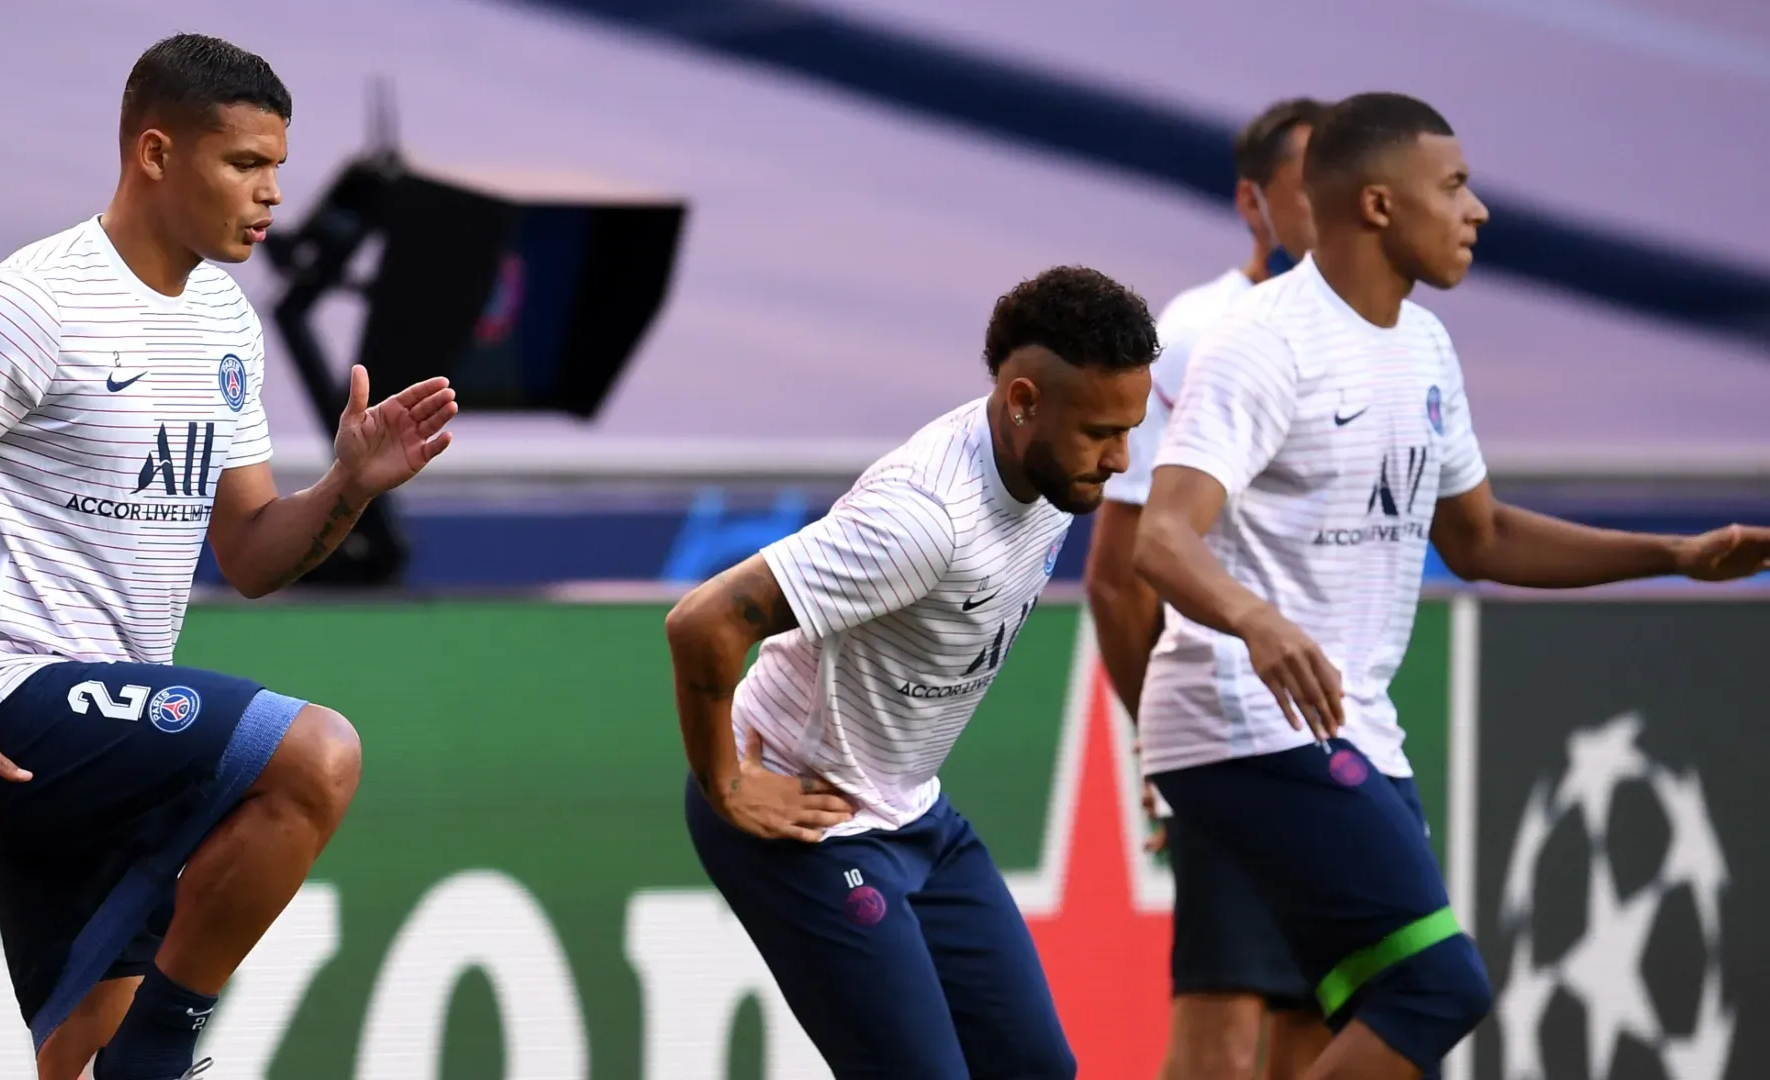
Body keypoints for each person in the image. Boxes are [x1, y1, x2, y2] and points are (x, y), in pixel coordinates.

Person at [0, 34, 458, 1080]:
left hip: (110, 718)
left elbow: (254, 554)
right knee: (316, 754)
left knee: (75, 1062)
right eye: (243, 165)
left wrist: (348, 488)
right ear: (155, 153)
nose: (270, 196)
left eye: (278, 168)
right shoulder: (28, 303)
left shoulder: (225, 321)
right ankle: (161, 1057)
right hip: (5, 695)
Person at [1131, 91, 1770, 1080]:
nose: (1478, 211)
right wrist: (1258, 622)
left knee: (1358, 1012)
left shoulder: (1424, 348)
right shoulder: (1263, 339)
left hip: (1349, 723)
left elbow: (1481, 538)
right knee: (1437, 986)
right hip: (1243, 719)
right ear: (1380, 206)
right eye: (1457, 186)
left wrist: (1673, 557)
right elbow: (1161, 540)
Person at [664, 266, 1158, 1077]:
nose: (1119, 457)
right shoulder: (924, 523)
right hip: (808, 815)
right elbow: (704, 622)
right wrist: (725, 784)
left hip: (915, 813)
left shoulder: (1047, 464)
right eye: (1102, 431)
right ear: (1024, 399)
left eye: (1129, 429)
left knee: (1037, 1068)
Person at [1084, 95, 1333, 1080]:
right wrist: (1173, 747)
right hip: (1229, 736)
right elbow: (1115, 577)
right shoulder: (1197, 333)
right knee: (1225, 1025)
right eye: (1307, 179)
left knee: (1326, 1023)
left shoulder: (1393, 334)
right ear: (1252, 202)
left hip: (1346, 742)